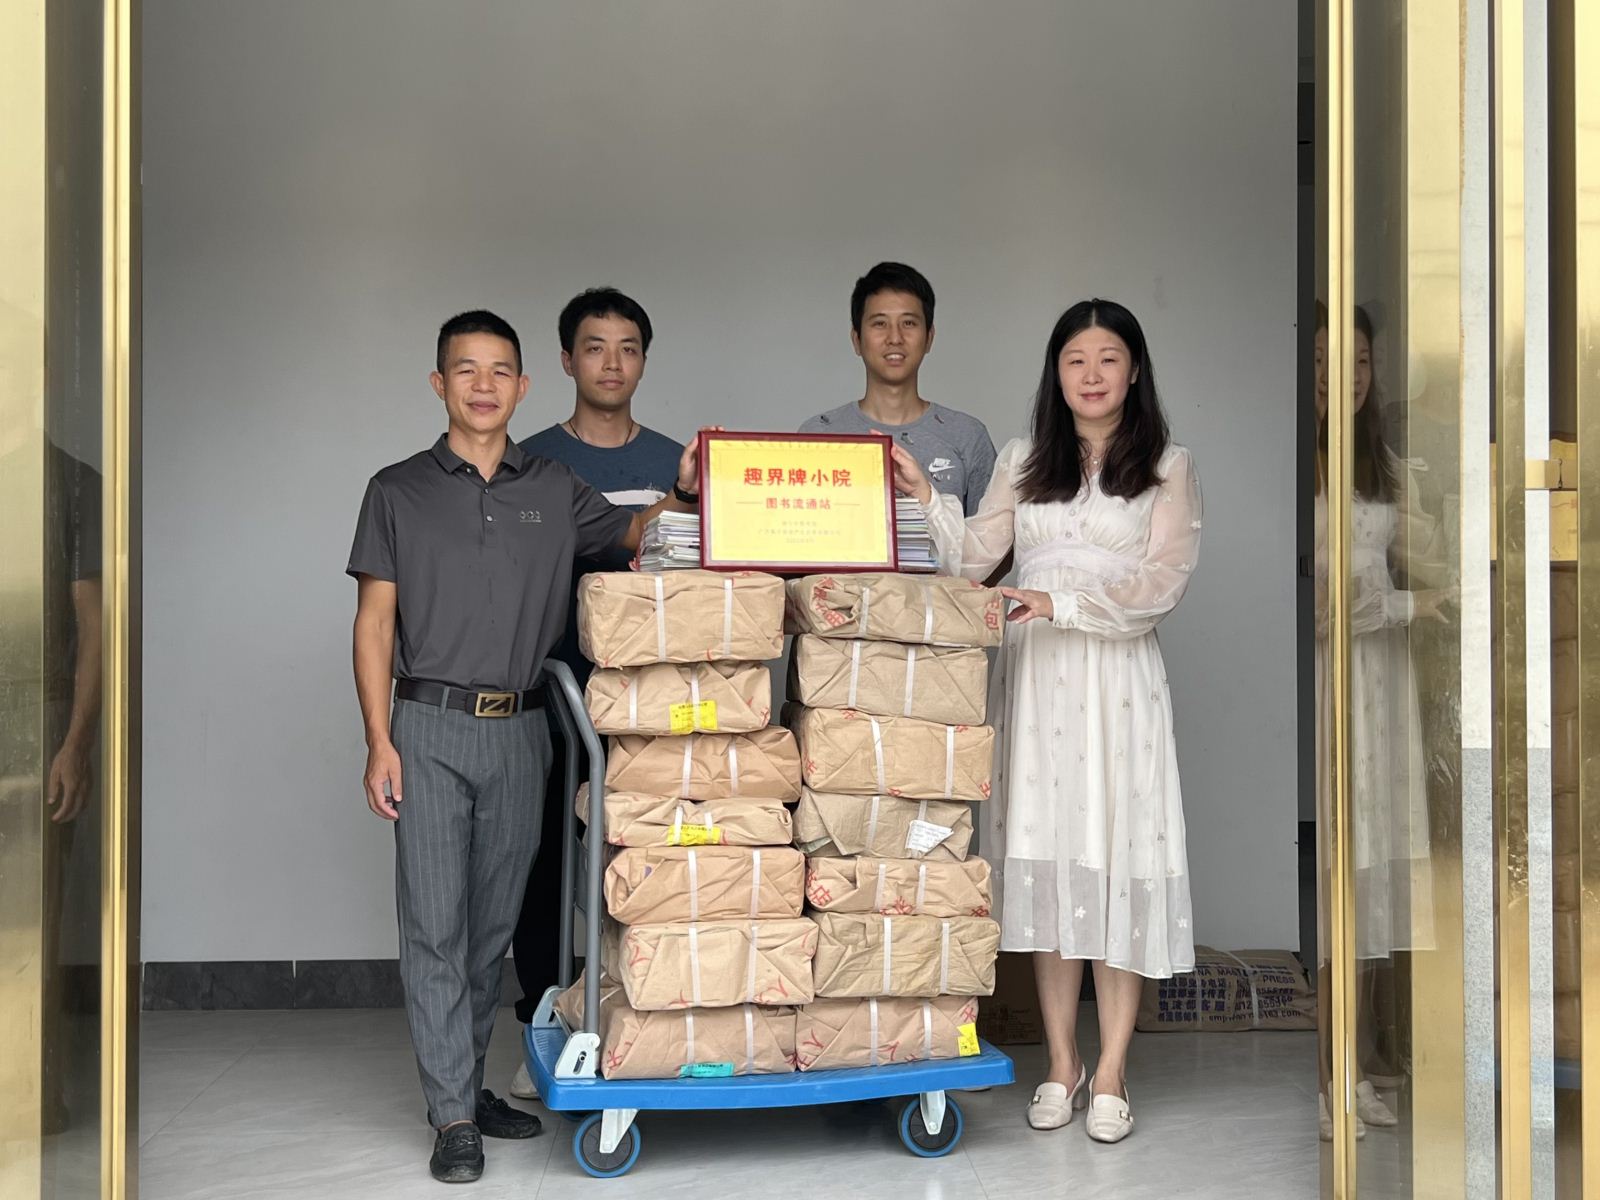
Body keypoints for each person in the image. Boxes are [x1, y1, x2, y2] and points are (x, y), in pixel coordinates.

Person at [348, 309, 701, 1184]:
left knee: (491, 929)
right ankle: (452, 1116)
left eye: (499, 370)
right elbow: (375, 623)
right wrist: (378, 741)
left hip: (524, 730)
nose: (483, 385)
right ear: (440, 384)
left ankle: (465, 1089)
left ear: (523, 385)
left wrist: (693, 486)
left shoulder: (553, 486)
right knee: (435, 926)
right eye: (466, 370)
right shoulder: (396, 490)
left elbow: (638, 533)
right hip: (428, 726)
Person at [891, 298, 1201, 1144]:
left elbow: (1160, 584)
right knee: (1052, 864)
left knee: (1117, 860)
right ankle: (1062, 1064)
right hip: (1036, 684)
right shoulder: (1023, 459)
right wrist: (925, 496)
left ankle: (1113, 1070)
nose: (1092, 375)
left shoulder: (1167, 466)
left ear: (1133, 371)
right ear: (1056, 374)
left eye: (1108, 359)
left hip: (1117, 684)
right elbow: (969, 558)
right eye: (1076, 360)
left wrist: (1059, 599)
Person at [507, 288, 682, 1099]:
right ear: (567, 360)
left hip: (658, 707)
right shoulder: (528, 460)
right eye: (594, 347)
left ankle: (649, 1022)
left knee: (649, 863)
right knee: (545, 868)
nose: (612, 363)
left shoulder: (678, 467)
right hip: (553, 700)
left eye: (628, 348)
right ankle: (544, 1022)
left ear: (643, 360)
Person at [1311, 303, 1444, 1140]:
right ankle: (1329, 1076)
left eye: (1358, 361)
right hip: (1332, 679)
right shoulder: (1302, 463)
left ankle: (1358, 1066)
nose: (1345, 377)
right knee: (1338, 874)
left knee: (1374, 876)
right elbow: (1325, 606)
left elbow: (1428, 560)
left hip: (1385, 681)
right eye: (1328, 361)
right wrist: (1404, 602)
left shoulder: (1386, 463)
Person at [801, 262, 997, 516]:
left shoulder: (968, 437)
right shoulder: (817, 436)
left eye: (909, 323)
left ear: (929, 338)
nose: (895, 338)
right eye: (880, 324)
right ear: (857, 340)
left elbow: (990, 539)